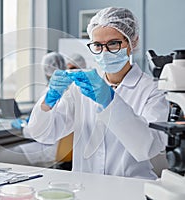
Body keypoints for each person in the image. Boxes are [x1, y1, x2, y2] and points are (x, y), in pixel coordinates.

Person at [24, 7, 169, 180]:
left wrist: (111, 102)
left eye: (113, 43)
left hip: (131, 187)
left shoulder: (153, 90)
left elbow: (149, 147)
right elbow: (44, 134)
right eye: (98, 45)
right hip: (86, 186)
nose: (105, 52)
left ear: (133, 42)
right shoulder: (81, 88)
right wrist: (47, 102)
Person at [0, 52, 67, 167]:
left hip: (48, 149)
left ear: (46, 70)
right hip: (61, 149)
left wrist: (23, 127)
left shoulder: (50, 93)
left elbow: (39, 132)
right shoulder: (69, 90)